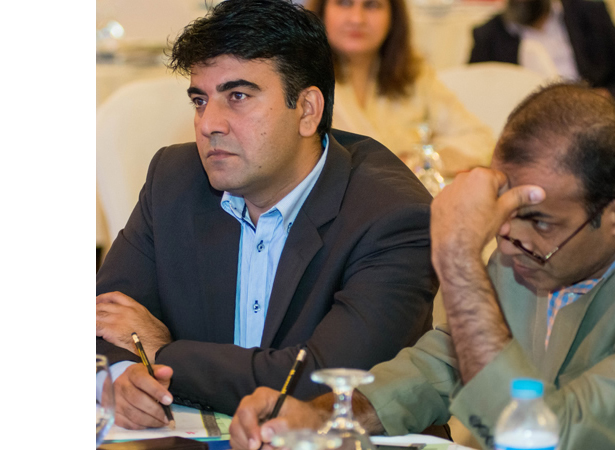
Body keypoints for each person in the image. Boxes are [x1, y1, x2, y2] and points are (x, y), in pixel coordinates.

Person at [95, 0, 439, 429]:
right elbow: (102, 320)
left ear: (307, 110)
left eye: (237, 97)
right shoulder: (174, 179)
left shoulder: (392, 215)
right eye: (200, 100)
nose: (208, 124)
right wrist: (120, 375)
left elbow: (320, 388)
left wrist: (162, 354)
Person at [228, 83, 615, 450]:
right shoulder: (527, 257)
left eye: (541, 222)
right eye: (503, 209)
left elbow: (542, 437)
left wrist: (459, 259)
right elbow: (442, 365)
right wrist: (324, 416)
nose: (510, 240)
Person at [305, 0, 495, 177]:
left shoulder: (415, 76)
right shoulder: (300, 79)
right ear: (322, 10)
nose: (357, 19)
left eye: (372, 5)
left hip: (406, 198)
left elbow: (480, 140)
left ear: (394, 16)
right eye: (344, 3)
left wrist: (418, 161)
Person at [469, 0, 615, 96]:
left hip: (594, 111)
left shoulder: (589, 12)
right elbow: (474, 92)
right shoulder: (489, 36)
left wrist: (607, 94)